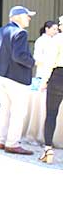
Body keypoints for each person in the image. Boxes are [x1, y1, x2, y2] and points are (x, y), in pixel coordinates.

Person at [0, 6, 36, 155]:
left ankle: (3, 140)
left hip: (1, 75)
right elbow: (19, 56)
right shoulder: (20, 33)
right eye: (27, 15)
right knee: (18, 112)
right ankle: (13, 143)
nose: (29, 18)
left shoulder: (0, 31)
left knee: (5, 110)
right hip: (17, 78)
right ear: (17, 17)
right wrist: (32, 62)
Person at [37, 16, 63, 164]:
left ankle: (48, 149)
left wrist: (44, 80)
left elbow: (49, 62)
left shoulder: (57, 39)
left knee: (51, 113)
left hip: (58, 76)